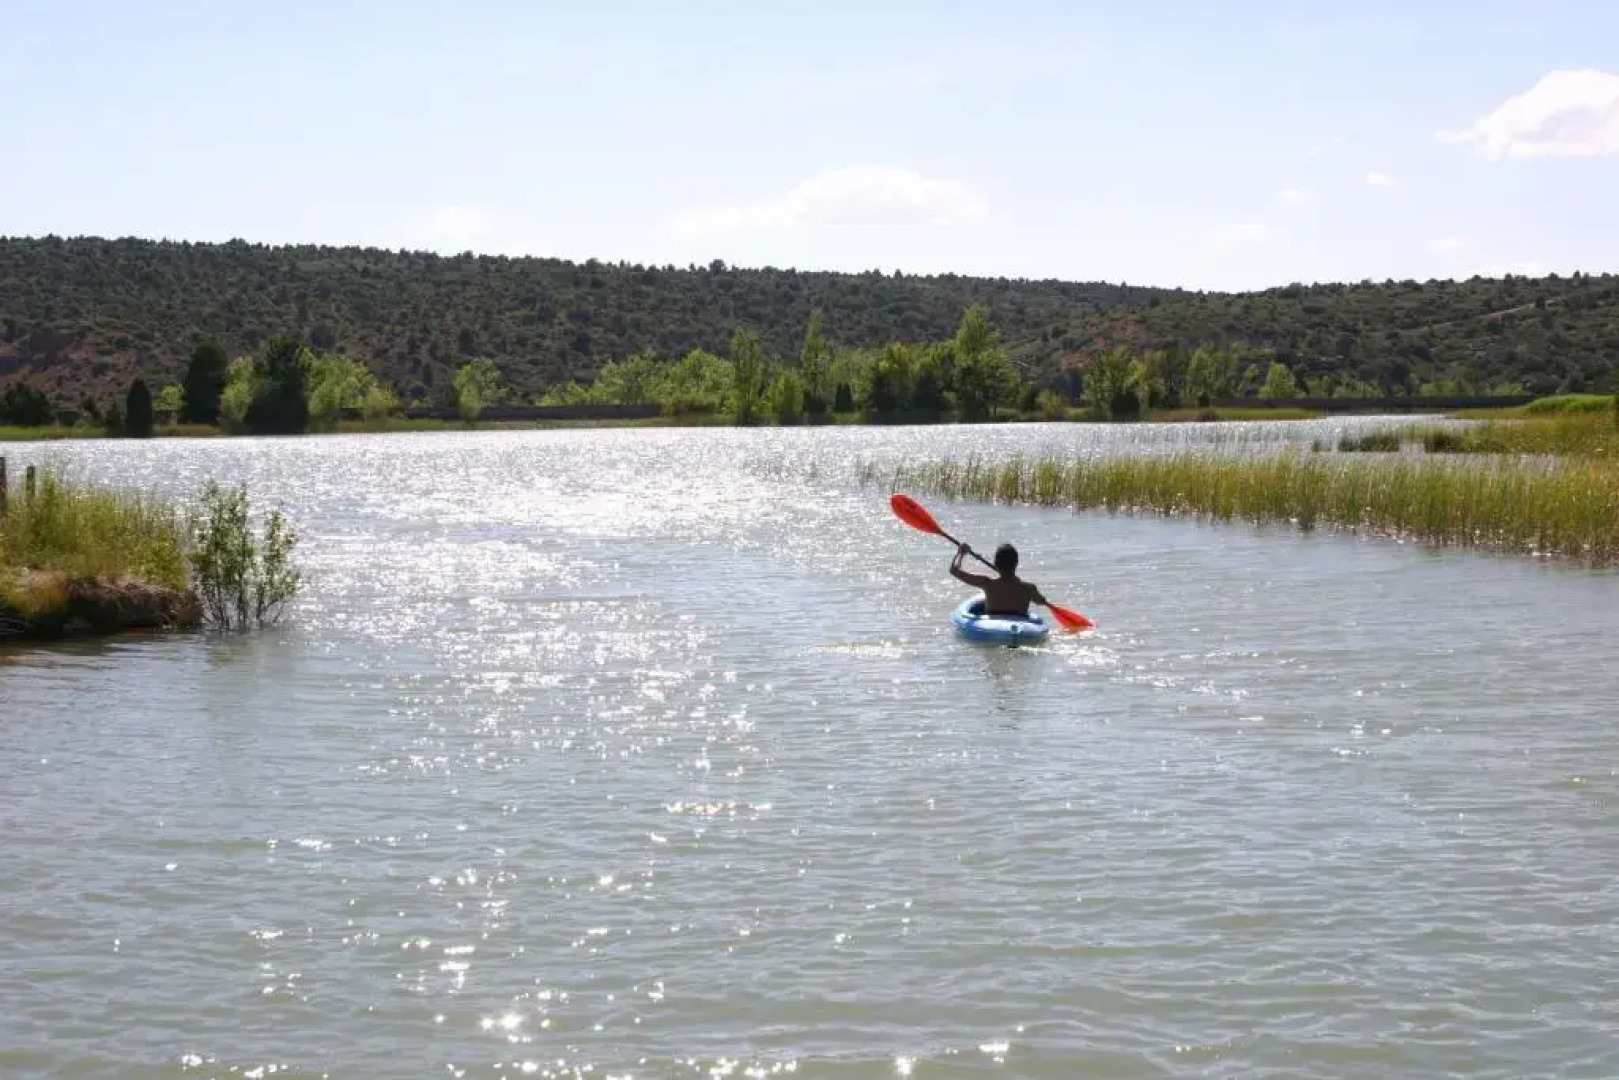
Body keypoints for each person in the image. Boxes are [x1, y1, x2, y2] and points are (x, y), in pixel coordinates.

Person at [950, 541, 1048, 618]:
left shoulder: (987, 583)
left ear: (996, 564)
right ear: (1016, 563)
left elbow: (954, 570)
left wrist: (961, 554)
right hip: (1019, 625)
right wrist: (1042, 599)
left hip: (993, 627)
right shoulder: (1029, 588)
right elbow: (1041, 602)